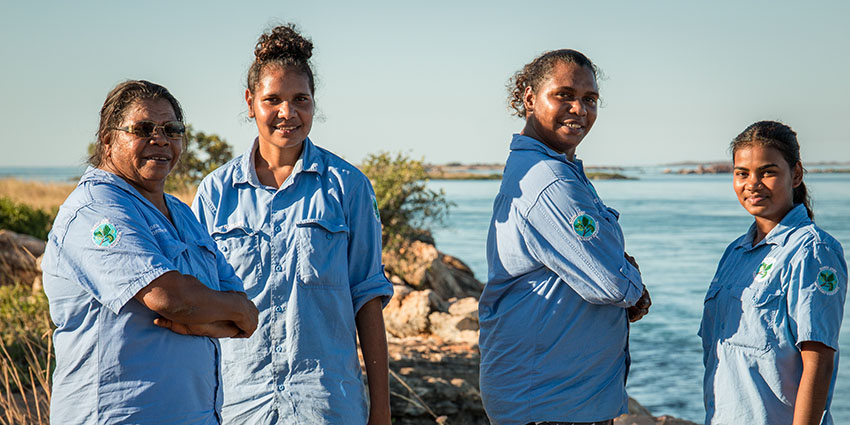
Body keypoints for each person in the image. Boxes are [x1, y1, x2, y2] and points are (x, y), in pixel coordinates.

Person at [191, 24, 393, 425]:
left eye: (300, 99)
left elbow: (367, 297)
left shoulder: (348, 187)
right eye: (273, 100)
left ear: (314, 103)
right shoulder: (215, 193)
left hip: (327, 403)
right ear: (250, 103)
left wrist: (382, 411)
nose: (288, 113)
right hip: (237, 404)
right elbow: (198, 301)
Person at [41, 80, 259, 424]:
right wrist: (214, 311)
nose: (160, 139)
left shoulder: (181, 213)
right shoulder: (96, 211)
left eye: (172, 130)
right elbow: (170, 298)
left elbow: (242, 310)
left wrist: (216, 315)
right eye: (143, 129)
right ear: (108, 140)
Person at [479, 49, 652, 425]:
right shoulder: (550, 180)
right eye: (565, 95)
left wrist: (619, 269)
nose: (579, 109)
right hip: (551, 403)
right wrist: (634, 285)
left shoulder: (554, 170)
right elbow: (611, 284)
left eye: (590, 99)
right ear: (529, 98)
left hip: (554, 398)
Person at [700, 121, 847, 425]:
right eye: (742, 173)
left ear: (796, 174)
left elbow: (818, 363)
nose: (752, 183)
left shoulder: (812, 252)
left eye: (767, 172)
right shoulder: (735, 253)